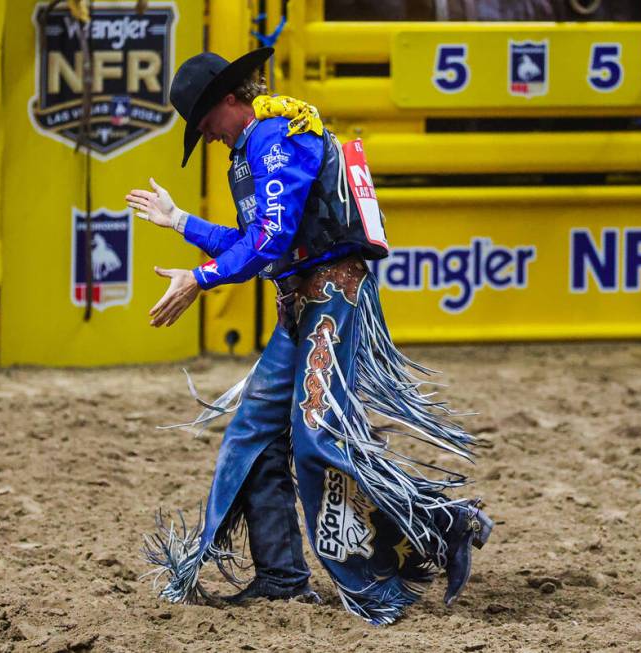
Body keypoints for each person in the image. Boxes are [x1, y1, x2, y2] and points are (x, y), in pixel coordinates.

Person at [130, 47, 492, 625]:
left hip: (332, 300)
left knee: (316, 438)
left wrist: (199, 277)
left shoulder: (277, 139)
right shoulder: (256, 148)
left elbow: (269, 242)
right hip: (305, 304)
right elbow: (261, 242)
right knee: (254, 434)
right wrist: (180, 223)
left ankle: (439, 528)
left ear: (230, 99)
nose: (209, 136)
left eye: (206, 123)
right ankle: (280, 576)